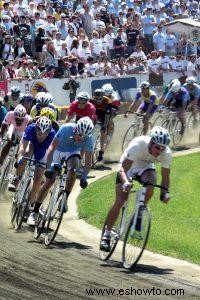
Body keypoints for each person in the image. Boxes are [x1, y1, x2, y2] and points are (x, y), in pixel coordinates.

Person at [100, 126, 172, 252]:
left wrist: (164, 193)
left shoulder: (166, 154)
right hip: (128, 165)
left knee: (151, 184)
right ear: (151, 142)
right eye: (157, 147)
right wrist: (126, 182)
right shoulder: (138, 144)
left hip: (146, 166)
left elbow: (165, 177)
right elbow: (123, 169)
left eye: (162, 148)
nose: (159, 151)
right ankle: (106, 234)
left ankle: (139, 211)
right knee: (121, 199)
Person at [27, 117, 94, 225]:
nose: (81, 138)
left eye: (84, 136)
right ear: (75, 129)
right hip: (57, 150)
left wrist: (84, 177)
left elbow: (87, 163)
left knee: (74, 169)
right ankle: (34, 212)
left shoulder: (89, 138)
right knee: (50, 180)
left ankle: (64, 199)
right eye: (80, 135)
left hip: (72, 152)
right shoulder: (65, 128)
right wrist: (48, 169)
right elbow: (51, 149)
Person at [8, 117, 56, 227]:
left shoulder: (53, 134)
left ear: (48, 132)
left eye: (44, 134)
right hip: (32, 146)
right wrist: (19, 158)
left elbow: (51, 154)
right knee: (25, 154)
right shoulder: (30, 128)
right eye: (39, 133)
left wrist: (48, 169)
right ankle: (16, 177)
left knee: (38, 178)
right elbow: (22, 146)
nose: (41, 136)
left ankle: (30, 205)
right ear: (36, 129)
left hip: (43, 153)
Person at [90, 88, 114, 161]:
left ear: (103, 96)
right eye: (96, 99)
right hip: (96, 112)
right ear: (94, 97)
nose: (98, 100)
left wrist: (104, 126)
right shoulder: (91, 100)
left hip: (105, 114)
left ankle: (101, 151)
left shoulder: (108, 101)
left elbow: (107, 116)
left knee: (103, 130)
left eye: (100, 98)